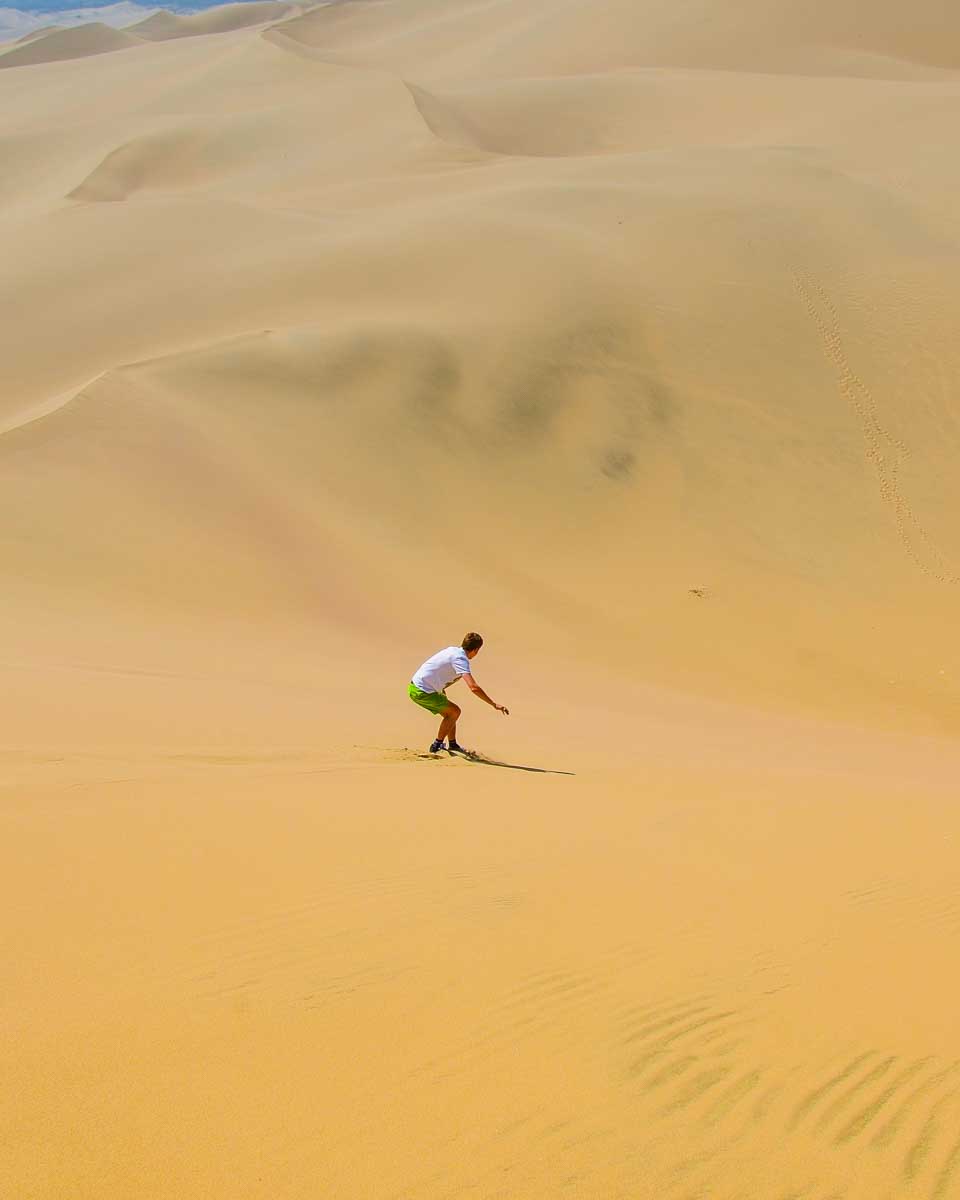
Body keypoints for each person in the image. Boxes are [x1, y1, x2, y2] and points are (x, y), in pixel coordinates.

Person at [408, 632, 509, 754]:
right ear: (476, 650)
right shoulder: (461, 659)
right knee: (455, 712)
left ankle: (453, 744)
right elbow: (473, 687)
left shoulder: (453, 650)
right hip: (422, 691)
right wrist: (493, 704)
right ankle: (436, 746)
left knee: (451, 713)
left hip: (417, 686)